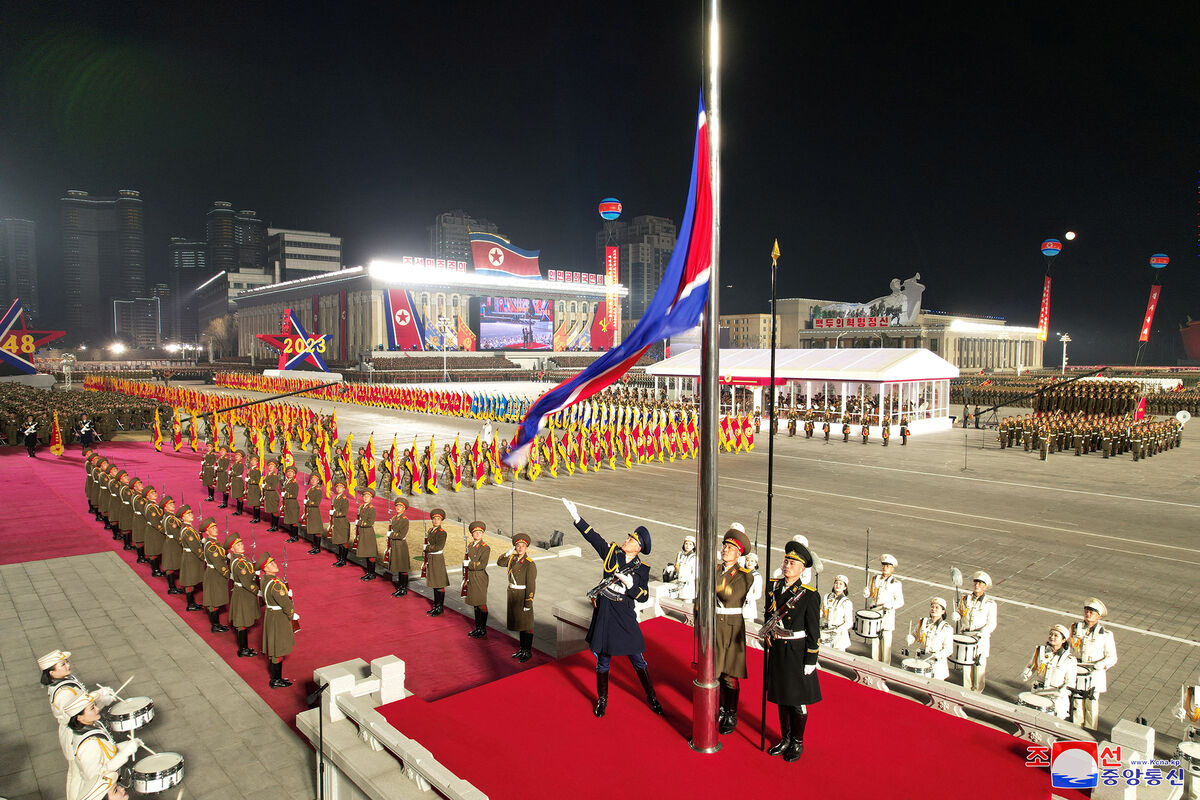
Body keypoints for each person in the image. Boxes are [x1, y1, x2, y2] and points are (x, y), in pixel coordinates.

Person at [561, 498, 662, 717]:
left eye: (631, 539)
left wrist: (630, 585)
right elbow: (594, 538)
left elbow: (643, 596)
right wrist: (577, 518)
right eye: (629, 537)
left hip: (624, 612)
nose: (627, 540)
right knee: (603, 658)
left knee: (637, 657)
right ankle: (602, 700)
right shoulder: (612, 552)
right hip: (606, 609)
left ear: (638, 547)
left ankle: (652, 696)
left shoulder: (642, 568)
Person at [763, 540, 821, 762]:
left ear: (802, 569)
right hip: (778, 646)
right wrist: (768, 634)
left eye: (793, 563)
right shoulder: (774, 587)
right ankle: (785, 738)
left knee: (796, 699)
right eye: (786, 561)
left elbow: (813, 630)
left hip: (797, 651)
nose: (787, 566)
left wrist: (811, 658)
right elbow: (770, 615)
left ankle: (797, 741)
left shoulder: (808, 595)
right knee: (781, 696)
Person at [62, 692, 141, 800]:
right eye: (92, 708)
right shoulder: (88, 744)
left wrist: (126, 746)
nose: (97, 709)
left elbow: (105, 750)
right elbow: (96, 776)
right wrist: (124, 754)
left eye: (95, 705)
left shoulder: (90, 726)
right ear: (79, 718)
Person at [714, 526, 754, 734]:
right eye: (725, 546)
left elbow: (730, 596)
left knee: (729, 674)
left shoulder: (745, 575)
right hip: (715, 625)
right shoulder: (716, 570)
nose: (725, 550)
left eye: (730, 548)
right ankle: (719, 707)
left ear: (739, 553)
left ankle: (730, 712)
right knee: (715, 671)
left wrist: (713, 583)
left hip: (731, 628)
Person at [1069, 597, 1118, 730]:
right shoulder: (1075, 629)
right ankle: (1075, 733)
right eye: (1086, 610)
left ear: (1099, 616)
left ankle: (1090, 734)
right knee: (1077, 706)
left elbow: (1112, 658)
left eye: (1092, 612)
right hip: (1078, 672)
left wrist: (1100, 665)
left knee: (1091, 708)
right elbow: (1069, 648)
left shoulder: (1106, 635)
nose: (1088, 614)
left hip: (1094, 675)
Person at [1022, 624, 1077, 719]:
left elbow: (1070, 682)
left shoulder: (1070, 659)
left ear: (1063, 640)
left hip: (1055, 696)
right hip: (1038, 692)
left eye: (1056, 635)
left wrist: (1062, 691)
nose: (1052, 637)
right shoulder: (1040, 651)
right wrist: (1026, 673)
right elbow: (1031, 665)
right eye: (1051, 634)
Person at [496, 532, 537, 662]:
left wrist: (528, 602)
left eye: (522, 546)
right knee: (519, 624)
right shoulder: (512, 559)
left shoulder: (529, 563)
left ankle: (527, 651)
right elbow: (500, 562)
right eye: (517, 546)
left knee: (526, 625)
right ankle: (521, 649)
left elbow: (531, 584)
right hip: (513, 595)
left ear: (526, 548)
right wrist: (508, 553)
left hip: (522, 595)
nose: (520, 548)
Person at [954, 571, 997, 692]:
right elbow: (960, 611)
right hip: (967, 636)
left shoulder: (990, 604)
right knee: (967, 668)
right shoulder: (965, 599)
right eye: (976, 582)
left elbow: (992, 623)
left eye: (980, 583)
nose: (977, 585)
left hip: (980, 638)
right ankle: (966, 691)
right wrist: (956, 614)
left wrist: (983, 632)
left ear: (985, 586)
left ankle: (977, 693)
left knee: (979, 668)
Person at [259, 551, 297, 688]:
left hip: (271, 615)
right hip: (278, 617)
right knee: (278, 649)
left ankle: (276, 678)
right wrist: (292, 614)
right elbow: (286, 604)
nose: (275, 564)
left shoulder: (265, 579)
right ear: (265, 568)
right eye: (271, 564)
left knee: (274, 647)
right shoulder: (276, 584)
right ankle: (276, 679)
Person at [863, 553, 904, 665]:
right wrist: (867, 593)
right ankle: (874, 663)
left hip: (887, 614)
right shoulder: (875, 579)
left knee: (885, 643)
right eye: (883, 565)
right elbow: (872, 594)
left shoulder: (896, 583)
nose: (884, 568)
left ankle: (885, 666)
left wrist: (891, 605)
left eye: (887, 566)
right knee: (875, 641)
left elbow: (900, 601)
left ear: (892, 569)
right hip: (875, 613)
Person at [227, 532, 259, 658]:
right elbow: (246, 582)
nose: (242, 546)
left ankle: (244, 647)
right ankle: (242, 649)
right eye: (238, 545)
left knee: (244, 620)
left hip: (243, 592)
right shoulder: (239, 563)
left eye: (241, 544)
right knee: (242, 621)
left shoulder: (242, 558)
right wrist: (258, 591)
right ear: (233, 548)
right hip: (243, 593)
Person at [907, 597, 953, 680]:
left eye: (937, 607)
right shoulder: (923, 622)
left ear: (943, 611)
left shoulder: (947, 628)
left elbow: (949, 649)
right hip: (922, 659)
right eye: (932, 607)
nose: (933, 609)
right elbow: (914, 634)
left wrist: (939, 655)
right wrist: (911, 638)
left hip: (936, 663)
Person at [201, 517, 231, 632]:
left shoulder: (213, 542)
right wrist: (227, 573)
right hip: (215, 574)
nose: (216, 529)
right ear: (207, 531)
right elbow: (218, 562)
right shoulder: (212, 545)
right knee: (214, 600)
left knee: (216, 599)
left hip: (215, 572)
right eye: (212, 528)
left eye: (215, 527)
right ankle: (215, 625)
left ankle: (216, 623)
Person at [463, 521, 491, 638]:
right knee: (475, 603)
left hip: (479, 577)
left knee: (480, 603)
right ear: (472, 534)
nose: (478, 534)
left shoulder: (485, 548)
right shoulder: (469, 546)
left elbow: (482, 564)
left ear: (483, 534)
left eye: (480, 532)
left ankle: (482, 628)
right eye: (475, 532)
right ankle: (477, 627)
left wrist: (469, 564)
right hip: (471, 577)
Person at [178, 505, 205, 612]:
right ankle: (190, 603)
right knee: (190, 580)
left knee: (191, 579)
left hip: (190, 555)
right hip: (191, 557)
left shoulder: (188, 527)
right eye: (188, 514)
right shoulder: (188, 530)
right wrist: (203, 556)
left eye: (191, 513)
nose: (191, 515)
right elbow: (194, 546)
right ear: (183, 517)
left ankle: (192, 602)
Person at [423, 508, 450, 615]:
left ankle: (440, 607)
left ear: (441, 520)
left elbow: (439, 547)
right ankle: (436, 605)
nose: (435, 521)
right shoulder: (431, 530)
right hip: (431, 558)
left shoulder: (442, 533)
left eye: (438, 519)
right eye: (434, 519)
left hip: (437, 559)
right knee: (434, 583)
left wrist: (427, 548)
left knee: (439, 583)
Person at [821, 574, 853, 652]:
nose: (837, 585)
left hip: (839, 635)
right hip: (826, 631)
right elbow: (822, 612)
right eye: (836, 583)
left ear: (845, 587)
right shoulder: (827, 597)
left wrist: (837, 630)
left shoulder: (846, 602)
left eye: (840, 584)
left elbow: (849, 622)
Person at [387, 499, 412, 597]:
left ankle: (403, 588)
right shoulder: (394, 518)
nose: (398, 508)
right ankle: (400, 587)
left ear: (404, 509)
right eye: (397, 506)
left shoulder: (404, 519)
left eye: (400, 506)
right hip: (395, 545)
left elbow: (401, 535)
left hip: (401, 545)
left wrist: (391, 534)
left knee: (402, 567)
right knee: (398, 566)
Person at [354, 487, 379, 581]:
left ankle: (372, 573)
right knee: (366, 552)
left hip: (368, 532)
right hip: (363, 532)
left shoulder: (371, 509)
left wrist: (359, 523)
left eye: (367, 496)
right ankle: (369, 572)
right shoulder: (362, 507)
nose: (365, 497)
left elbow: (369, 522)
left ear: (371, 498)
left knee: (370, 554)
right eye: (364, 496)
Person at [665, 535, 698, 601]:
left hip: (688, 586)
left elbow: (696, 573)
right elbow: (676, 566)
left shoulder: (694, 557)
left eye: (690, 544)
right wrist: (671, 568)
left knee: (687, 605)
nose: (688, 546)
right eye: (686, 543)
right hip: (678, 583)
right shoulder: (680, 554)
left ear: (693, 546)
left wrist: (686, 579)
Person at [329, 479, 351, 567]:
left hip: (342, 523)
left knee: (343, 542)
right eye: (337, 487)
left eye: (340, 487)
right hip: (337, 522)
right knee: (339, 541)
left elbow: (343, 513)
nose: (338, 488)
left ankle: (343, 560)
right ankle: (340, 559)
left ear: (344, 489)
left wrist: (334, 513)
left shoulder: (344, 499)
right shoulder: (335, 498)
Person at [282, 465, 301, 542]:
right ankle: (292, 535)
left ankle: (295, 537)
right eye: (288, 472)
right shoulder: (286, 482)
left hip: (292, 503)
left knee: (293, 521)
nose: (289, 473)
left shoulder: (294, 483)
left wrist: (286, 495)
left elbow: (294, 495)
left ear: (294, 474)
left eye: (291, 472)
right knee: (290, 519)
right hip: (288, 503)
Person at [743, 551, 764, 623]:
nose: (749, 563)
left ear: (756, 564)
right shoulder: (741, 573)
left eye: (752, 561)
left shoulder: (757, 577)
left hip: (748, 607)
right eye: (747, 560)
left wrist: (747, 596)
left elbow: (758, 594)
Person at [262, 460, 281, 532]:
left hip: (272, 494)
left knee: (274, 511)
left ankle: (275, 526)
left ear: (275, 467)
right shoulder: (268, 474)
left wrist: (265, 486)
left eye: (272, 466)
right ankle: (273, 525)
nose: (270, 467)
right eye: (269, 465)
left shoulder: (274, 476)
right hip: (268, 494)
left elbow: (273, 487)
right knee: (271, 511)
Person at [229, 449, 246, 516]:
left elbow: (238, 473)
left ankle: (239, 510)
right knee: (236, 496)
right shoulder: (235, 463)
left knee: (239, 496)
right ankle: (238, 509)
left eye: (238, 456)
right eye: (236, 455)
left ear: (241, 458)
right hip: (234, 481)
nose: (236, 456)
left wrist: (231, 473)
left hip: (238, 481)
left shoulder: (240, 464)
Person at [246, 457, 263, 524]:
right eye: (252, 460)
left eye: (254, 461)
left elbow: (257, 480)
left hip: (255, 488)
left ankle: (257, 518)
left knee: (256, 504)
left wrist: (249, 480)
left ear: (257, 462)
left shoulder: (257, 470)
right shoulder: (251, 469)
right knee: (253, 503)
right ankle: (255, 517)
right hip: (251, 488)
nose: (252, 462)